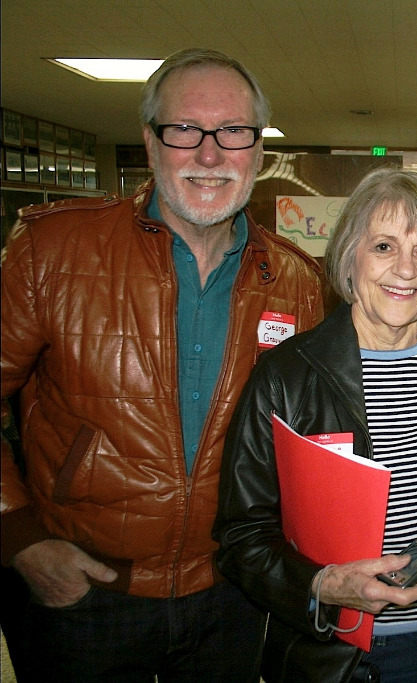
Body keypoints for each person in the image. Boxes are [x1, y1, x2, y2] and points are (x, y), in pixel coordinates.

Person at [0, 48, 324, 682]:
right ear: (150, 144)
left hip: (230, 594)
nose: (209, 154)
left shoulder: (295, 281)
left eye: (233, 132)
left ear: (258, 152)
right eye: (184, 130)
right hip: (83, 592)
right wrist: (19, 536)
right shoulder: (51, 251)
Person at [214, 167, 417, 683]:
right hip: (350, 657)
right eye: (383, 246)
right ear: (350, 256)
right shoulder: (287, 376)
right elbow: (241, 535)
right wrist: (321, 583)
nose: (405, 269)